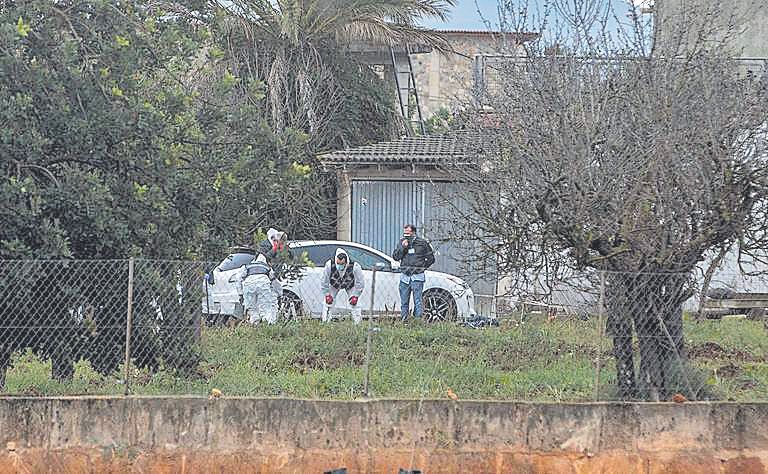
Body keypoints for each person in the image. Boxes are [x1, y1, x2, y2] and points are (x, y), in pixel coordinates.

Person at [392, 224, 435, 321]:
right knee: (404, 302)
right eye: (404, 233)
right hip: (405, 277)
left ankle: (418, 321)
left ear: (413, 232)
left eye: (408, 233)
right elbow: (395, 257)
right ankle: (404, 320)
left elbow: (431, 258)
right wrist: (403, 248)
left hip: (417, 276)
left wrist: (422, 267)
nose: (406, 235)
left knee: (418, 301)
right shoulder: (401, 242)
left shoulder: (422, 243)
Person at [321, 248, 365, 324]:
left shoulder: (355, 266)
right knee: (328, 303)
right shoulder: (329, 265)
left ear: (346, 262)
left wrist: (356, 295)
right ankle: (325, 322)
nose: (340, 266)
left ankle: (358, 323)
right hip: (334, 284)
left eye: (342, 264)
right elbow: (324, 281)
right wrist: (327, 294)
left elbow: (360, 282)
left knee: (355, 304)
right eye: (338, 264)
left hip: (349, 285)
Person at [238, 254, 282, 325]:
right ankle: (267, 327)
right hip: (263, 285)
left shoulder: (247, 266)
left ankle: (255, 326)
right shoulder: (267, 267)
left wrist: (240, 293)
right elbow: (275, 281)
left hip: (248, 285)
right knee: (266, 308)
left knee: (252, 309)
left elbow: (239, 278)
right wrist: (280, 293)